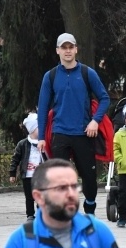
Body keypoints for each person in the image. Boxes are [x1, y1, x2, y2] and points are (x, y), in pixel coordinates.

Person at [37, 33, 111, 216]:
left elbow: (104, 98)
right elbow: (43, 108)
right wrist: (40, 138)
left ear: (76, 49)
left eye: (71, 47)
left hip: (84, 133)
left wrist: (95, 121)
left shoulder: (87, 73)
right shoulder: (51, 76)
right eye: (64, 47)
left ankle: (90, 208)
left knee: (89, 177)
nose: (68, 51)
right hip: (60, 132)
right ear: (58, 51)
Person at [9, 113, 46, 222]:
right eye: (40, 127)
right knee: (29, 197)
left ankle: (41, 214)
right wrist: (12, 173)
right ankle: (30, 215)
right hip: (28, 175)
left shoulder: (44, 143)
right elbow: (15, 159)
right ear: (32, 129)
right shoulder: (23, 144)